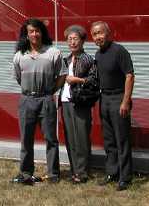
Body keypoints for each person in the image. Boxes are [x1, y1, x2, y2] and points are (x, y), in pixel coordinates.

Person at [12, 18, 63, 184]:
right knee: (26, 138)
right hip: (26, 100)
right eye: (31, 31)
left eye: (37, 30)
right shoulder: (19, 55)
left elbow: (62, 75)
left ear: (42, 32)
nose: (34, 34)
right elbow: (19, 78)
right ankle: (26, 173)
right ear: (26, 35)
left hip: (46, 99)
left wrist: (50, 91)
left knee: (51, 138)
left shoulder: (53, 52)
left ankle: (53, 174)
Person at [91, 21, 135, 191]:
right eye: (94, 34)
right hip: (104, 98)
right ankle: (112, 172)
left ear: (108, 33)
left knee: (121, 139)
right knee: (109, 140)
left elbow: (129, 76)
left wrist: (125, 101)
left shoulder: (119, 51)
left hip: (118, 98)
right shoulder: (98, 54)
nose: (98, 37)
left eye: (100, 33)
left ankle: (125, 177)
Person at [58, 24, 98, 184]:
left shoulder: (88, 59)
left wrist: (77, 80)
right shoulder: (65, 60)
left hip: (80, 102)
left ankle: (82, 172)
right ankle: (75, 169)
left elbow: (94, 81)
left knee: (81, 137)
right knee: (70, 138)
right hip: (66, 101)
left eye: (75, 39)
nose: (72, 42)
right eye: (69, 39)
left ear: (82, 41)